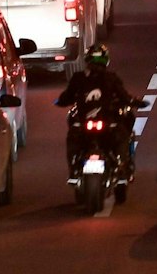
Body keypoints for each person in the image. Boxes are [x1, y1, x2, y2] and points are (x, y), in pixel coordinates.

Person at [55, 44, 138, 177]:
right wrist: (134, 102)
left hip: (88, 124)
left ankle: (75, 168)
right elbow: (124, 97)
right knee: (123, 134)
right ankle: (121, 165)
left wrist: (61, 101)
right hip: (103, 124)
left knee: (73, 135)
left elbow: (66, 97)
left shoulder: (79, 77)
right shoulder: (111, 78)